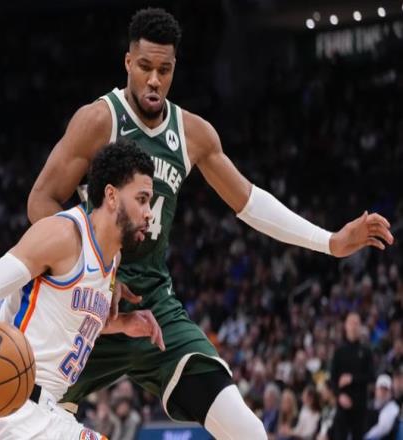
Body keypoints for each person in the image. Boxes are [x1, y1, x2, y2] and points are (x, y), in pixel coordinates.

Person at [27, 8, 394, 439]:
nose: (154, 80)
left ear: (174, 68)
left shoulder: (192, 133)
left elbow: (250, 202)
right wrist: (94, 271)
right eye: (144, 67)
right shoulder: (97, 121)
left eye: (164, 70)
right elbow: (41, 199)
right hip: (88, 307)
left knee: (248, 430)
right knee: (15, 411)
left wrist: (330, 241)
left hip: (155, 308)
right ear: (127, 62)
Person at [0, 140, 165, 440]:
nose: (149, 213)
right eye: (142, 199)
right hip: (9, 403)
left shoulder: (113, 259)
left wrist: (122, 324)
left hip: (48, 411)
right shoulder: (63, 235)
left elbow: (67, 316)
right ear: (111, 196)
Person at [330, 312, 375, 440]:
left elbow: (371, 376)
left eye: (357, 323)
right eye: (351, 323)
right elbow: (333, 379)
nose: (354, 326)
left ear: (360, 326)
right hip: (342, 405)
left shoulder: (366, 351)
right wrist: (339, 396)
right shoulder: (339, 351)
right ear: (346, 326)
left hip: (360, 405)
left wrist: (352, 378)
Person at [364, 374, 400, 440]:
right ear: (376, 390)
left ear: (390, 392)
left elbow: (382, 429)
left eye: (385, 390)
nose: (383, 393)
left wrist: (363, 437)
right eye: (381, 389)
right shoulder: (370, 406)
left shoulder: (393, 408)